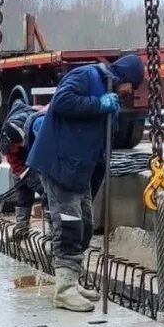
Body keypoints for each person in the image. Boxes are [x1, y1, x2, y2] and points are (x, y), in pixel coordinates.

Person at [27, 54, 144, 312]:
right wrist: (97, 104)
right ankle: (64, 290)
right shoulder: (87, 76)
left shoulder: (111, 99)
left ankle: (72, 280)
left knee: (86, 225)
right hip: (60, 163)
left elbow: (100, 144)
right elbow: (61, 102)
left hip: (80, 170)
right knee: (69, 225)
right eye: (132, 86)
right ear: (124, 77)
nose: (131, 92)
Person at [1, 98, 45, 237]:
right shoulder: (8, 136)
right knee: (23, 191)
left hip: (39, 159)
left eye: (22, 141)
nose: (21, 144)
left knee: (47, 193)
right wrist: (25, 174)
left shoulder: (37, 121)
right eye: (19, 143)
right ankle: (21, 228)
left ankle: (52, 233)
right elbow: (14, 162)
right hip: (21, 164)